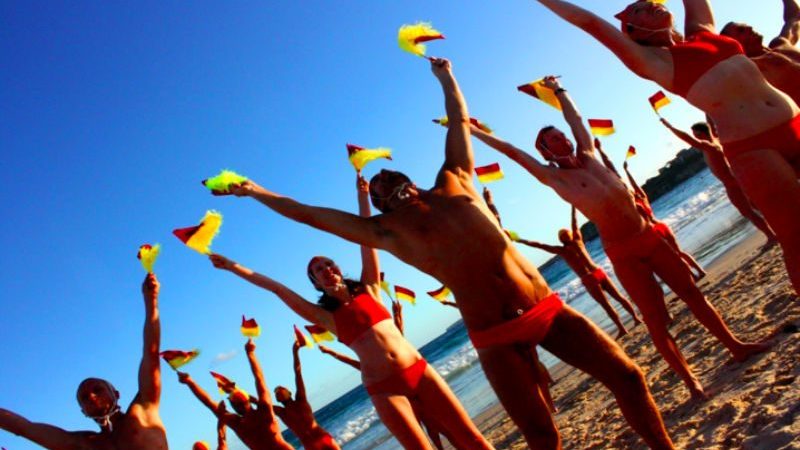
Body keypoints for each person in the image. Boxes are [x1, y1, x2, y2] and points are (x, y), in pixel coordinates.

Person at [209, 58, 674, 449]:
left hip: (543, 307)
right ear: (378, 202)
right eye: (377, 187)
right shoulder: (385, 230)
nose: (384, 182)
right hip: (493, 333)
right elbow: (307, 214)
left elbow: (456, 120)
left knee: (629, 377)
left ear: (409, 179)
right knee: (540, 436)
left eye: (390, 176)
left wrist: (445, 77)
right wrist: (255, 191)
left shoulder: (455, 178)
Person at [467, 76, 768, 400]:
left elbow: (577, 120)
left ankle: (735, 346)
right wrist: (471, 130)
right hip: (623, 251)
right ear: (545, 151)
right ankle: (690, 381)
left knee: (692, 294)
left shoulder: (589, 154)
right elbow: (511, 152)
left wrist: (559, 91)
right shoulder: (553, 176)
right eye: (554, 140)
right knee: (656, 319)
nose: (564, 140)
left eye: (562, 136)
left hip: (648, 235)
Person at [533, 0, 800, 296]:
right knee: (795, 237)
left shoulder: (703, 31)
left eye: (650, 3)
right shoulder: (654, 61)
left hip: (793, 121)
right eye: (639, 10)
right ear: (635, 32)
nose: (651, 6)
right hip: (754, 148)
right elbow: (590, 23)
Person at [209, 172, 493, 450]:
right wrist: (233, 267)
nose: (325, 269)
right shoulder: (323, 316)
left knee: (473, 440)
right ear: (316, 283)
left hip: (419, 370)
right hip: (384, 389)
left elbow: (366, 238)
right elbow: (276, 288)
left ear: (339, 269)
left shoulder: (370, 288)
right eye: (317, 270)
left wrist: (362, 196)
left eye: (327, 264)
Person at [0, 274, 168, 449]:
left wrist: (151, 301)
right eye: (84, 398)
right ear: (83, 411)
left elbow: (151, 352)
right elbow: (23, 428)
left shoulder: (143, 408)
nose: (92, 397)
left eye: (98, 389)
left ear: (116, 394)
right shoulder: (82, 443)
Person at [513, 204, 640, 338]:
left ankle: (626, 325)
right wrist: (573, 205)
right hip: (596, 273)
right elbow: (544, 242)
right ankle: (633, 320)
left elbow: (541, 244)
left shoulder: (565, 248)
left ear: (561, 239)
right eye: (566, 233)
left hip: (590, 278)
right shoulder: (574, 242)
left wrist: (520, 240)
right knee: (614, 300)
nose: (568, 234)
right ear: (565, 236)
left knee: (609, 303)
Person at [658, 118, 776, 242]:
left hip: (732, 183)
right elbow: (709, 123)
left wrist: (670, 127)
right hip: (735, 180)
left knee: (748, 211)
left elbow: (688, 139)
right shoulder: (715, 142)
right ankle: (775, 231)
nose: (695, 137)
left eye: (696, 134)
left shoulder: (709, 146)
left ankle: (771, 235)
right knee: (756, 207)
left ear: (701, 134)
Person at [176, 338, 295, 450]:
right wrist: (250, 353)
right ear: (248, 400)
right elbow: (259, 379)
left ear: (234, 406)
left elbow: (208, 402)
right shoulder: (264, 411)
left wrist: (190, 382)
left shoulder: (238, 424)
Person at [721, 0, 800, 105]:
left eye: (746, 26)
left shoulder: (781, 43)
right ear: (734, 44)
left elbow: (794, 18)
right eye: (741, 30)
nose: (750, 27)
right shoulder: (753, 73)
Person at [272, 340, 340, 450]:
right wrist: (234, 390)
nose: (279, 391)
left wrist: (295, 351)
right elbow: (258, 401)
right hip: (310, 446)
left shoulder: (301, 399)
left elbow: (297, 372)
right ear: (277, 399)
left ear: (289, 392)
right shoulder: (281, 412)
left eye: (281, 389)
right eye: (276, 392)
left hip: (323, 438)